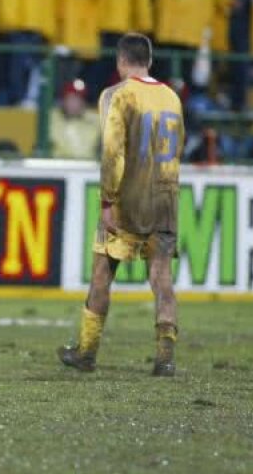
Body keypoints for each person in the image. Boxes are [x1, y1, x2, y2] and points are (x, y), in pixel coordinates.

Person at [58, 34, 183, 376]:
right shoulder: (171, 96)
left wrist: (107, 200)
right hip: (166, 198)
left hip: (130, 198)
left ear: (120, 62)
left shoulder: (118, 95)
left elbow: (113, 152)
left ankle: (86, 352)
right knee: (161, 277)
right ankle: (165, 357)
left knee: (102, 273)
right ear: (150, 60)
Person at [50, 79, 101, 160]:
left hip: (88, 168)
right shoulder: (51, 118)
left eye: (78, 99)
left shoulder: (96, 120)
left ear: (83, 102)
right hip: (57, 167)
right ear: (63, 100)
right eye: (70, 98)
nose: (74, 103)